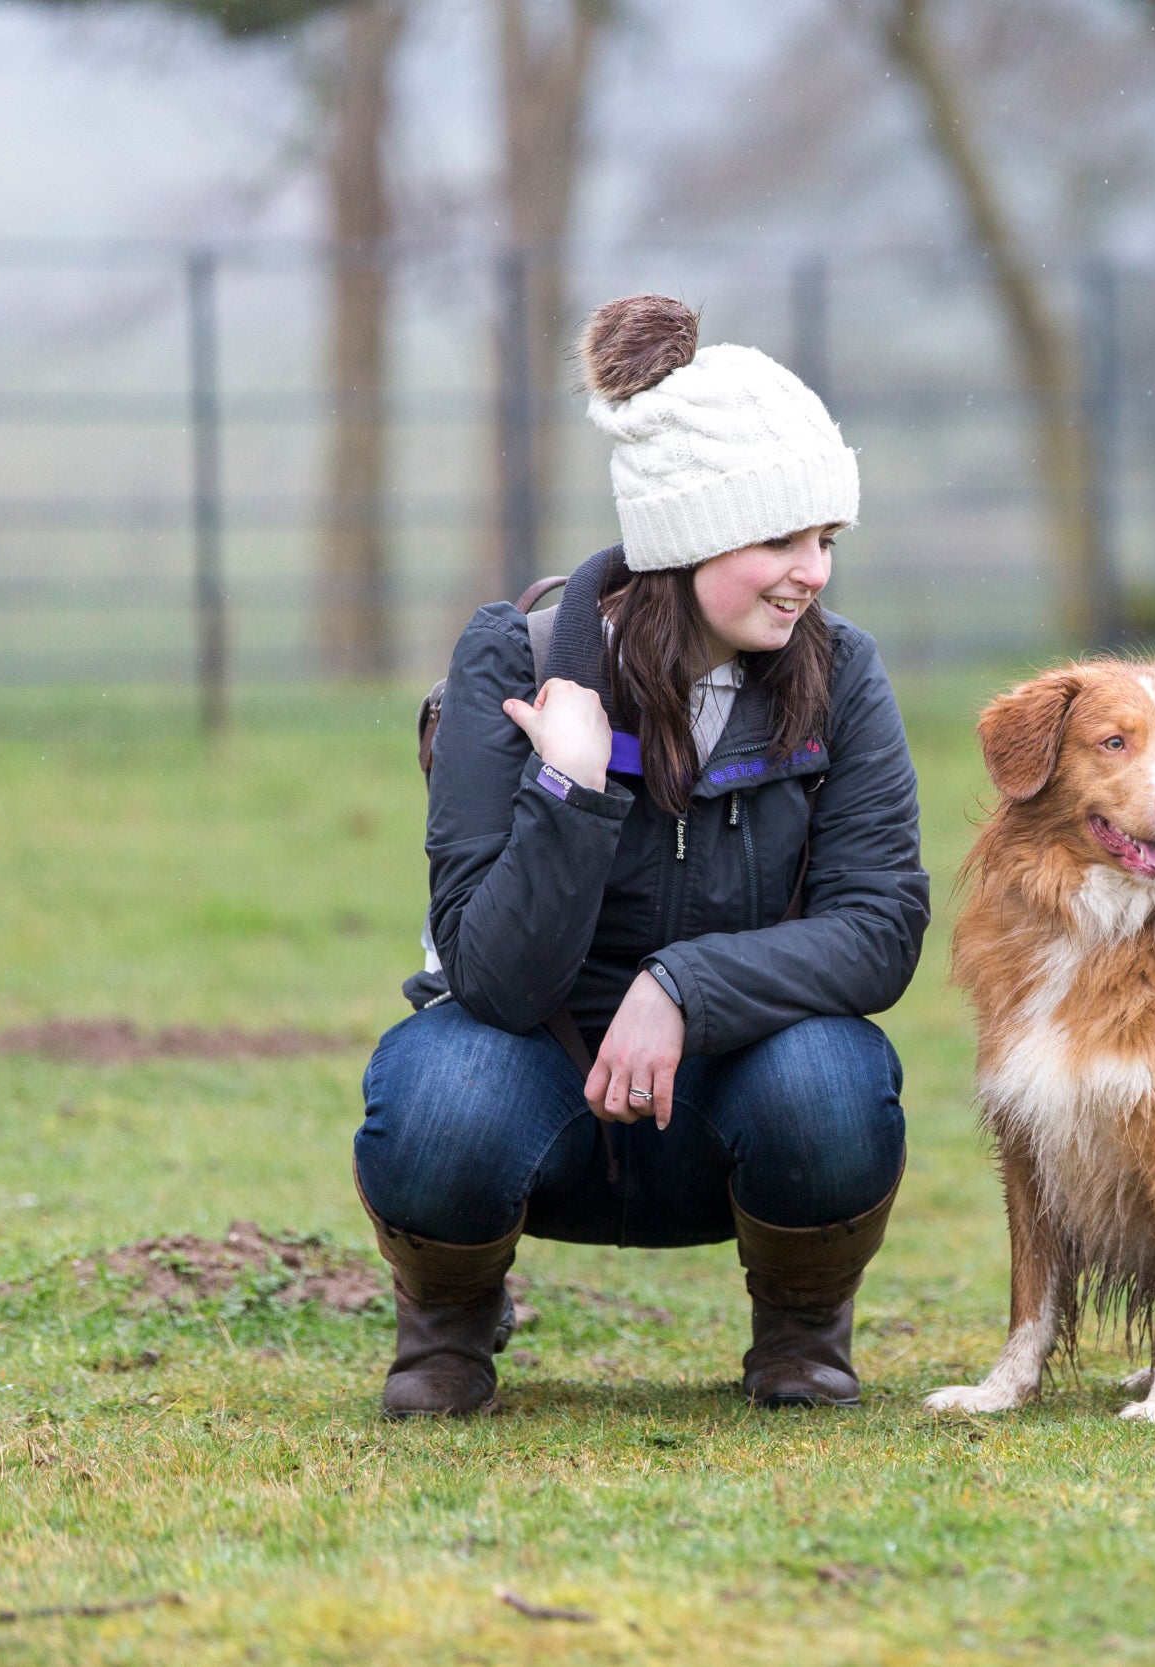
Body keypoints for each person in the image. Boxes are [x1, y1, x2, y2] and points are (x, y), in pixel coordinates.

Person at [351, 294, 928, 1417]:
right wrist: (570, 785)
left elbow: (879, 930)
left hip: (735, 1087)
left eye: (825, 540)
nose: (812, 572)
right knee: (438, 1090)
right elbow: (492, 975)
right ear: (684, 534)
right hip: (538, 1073)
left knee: (836, 1080)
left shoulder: (842, 674)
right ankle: (450, 1325)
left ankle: (802, 1331)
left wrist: (684, 984)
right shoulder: (507, 661)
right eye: (779, 538)